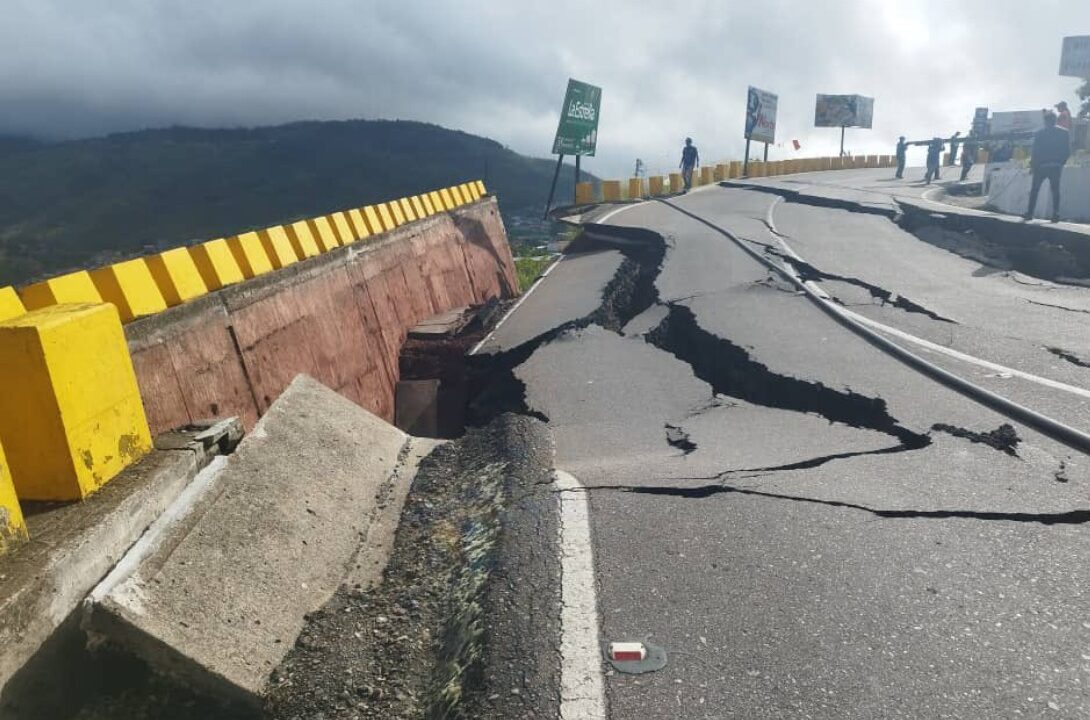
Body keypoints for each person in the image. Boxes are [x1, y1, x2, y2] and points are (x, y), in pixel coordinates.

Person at [1024, 112, 1071, 222]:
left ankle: (1030, 213)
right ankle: (1055, 214)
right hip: (1055, 166)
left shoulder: (1039, 133)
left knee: (1034, 190)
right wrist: (1061, 163)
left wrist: (1033, 166)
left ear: (1045, 121)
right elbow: (1067, 151)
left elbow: (1035, 152)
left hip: (1041, 166)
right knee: (1055, 190)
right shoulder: (1064, 133)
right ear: (1055, 120)